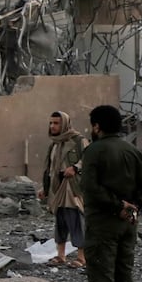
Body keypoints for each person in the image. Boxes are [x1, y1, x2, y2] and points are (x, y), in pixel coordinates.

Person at [79, 105, 142, 282]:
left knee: (103, 277)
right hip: (128, 224)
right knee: (124, 274)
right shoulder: (134, 151)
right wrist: (132, 206)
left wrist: (116, 206)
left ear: (97, 126)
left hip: (103, 224)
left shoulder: (94, 151)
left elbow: (90, 188)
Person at [38, 111, 87, 269]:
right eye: (51, 123)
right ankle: (61, 255)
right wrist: (45, 188)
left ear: (65, 123)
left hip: (72, 187)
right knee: (60, 221)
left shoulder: (78, 140)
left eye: (56, 123)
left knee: (75, 220)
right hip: (57, 188)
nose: (52, 126)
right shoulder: (54, 144)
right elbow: (50, 169)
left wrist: (75, 168)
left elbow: (89, 158)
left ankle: (81, 257)